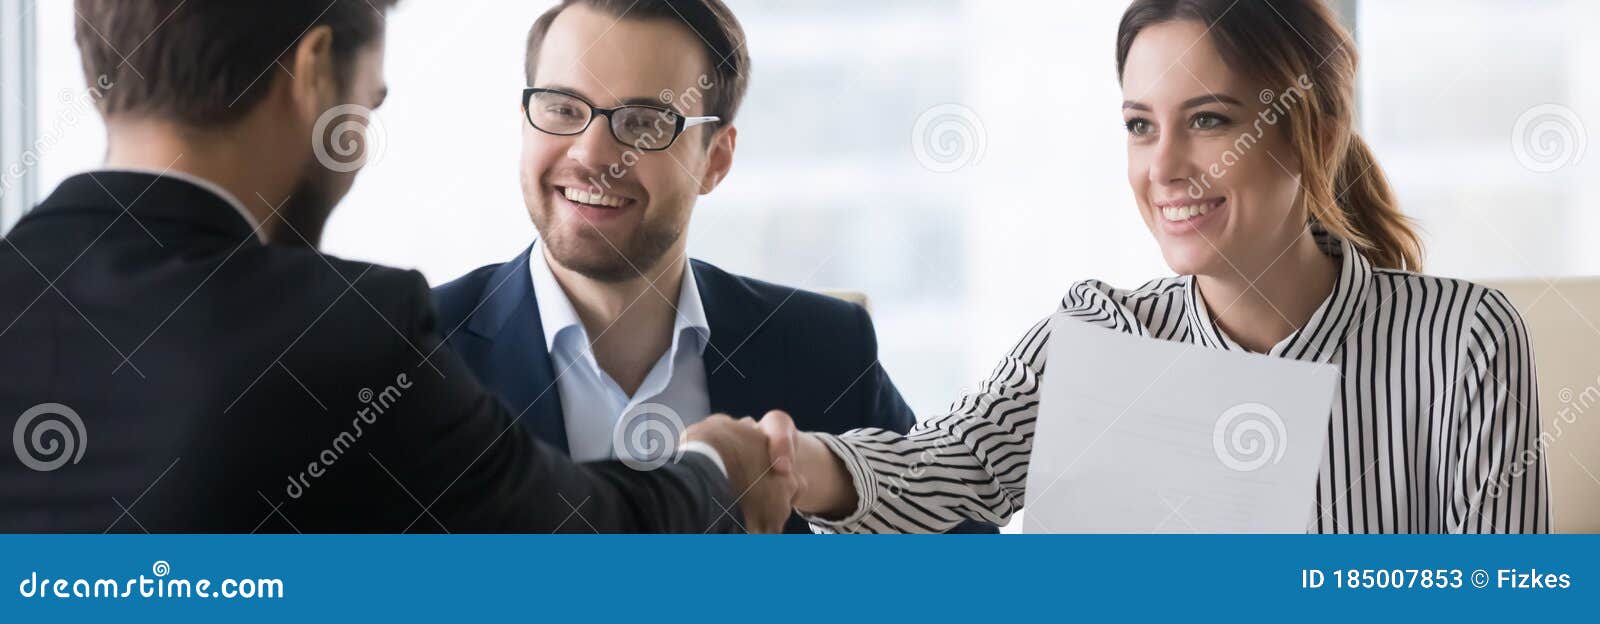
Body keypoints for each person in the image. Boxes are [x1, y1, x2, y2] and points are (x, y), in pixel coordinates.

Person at [0, 0, 796, 533]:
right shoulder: (337, 334)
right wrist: (716, 474)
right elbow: (573, 551)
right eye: (368, 105)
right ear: (313, 74)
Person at [759, 0, 1549, 534]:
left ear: (1318, 130)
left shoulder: (1463, 340)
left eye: (1208, 120)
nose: (1164, 167)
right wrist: (798, 467)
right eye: (1141, 126)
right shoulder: (1104, 331)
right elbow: (950, 463)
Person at [431, 0, 987, 533]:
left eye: (645, 122)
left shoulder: (826, 349)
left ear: (715, 160)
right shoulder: (416, 353)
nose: (592, 154)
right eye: (563, 109)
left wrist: (825, 484)